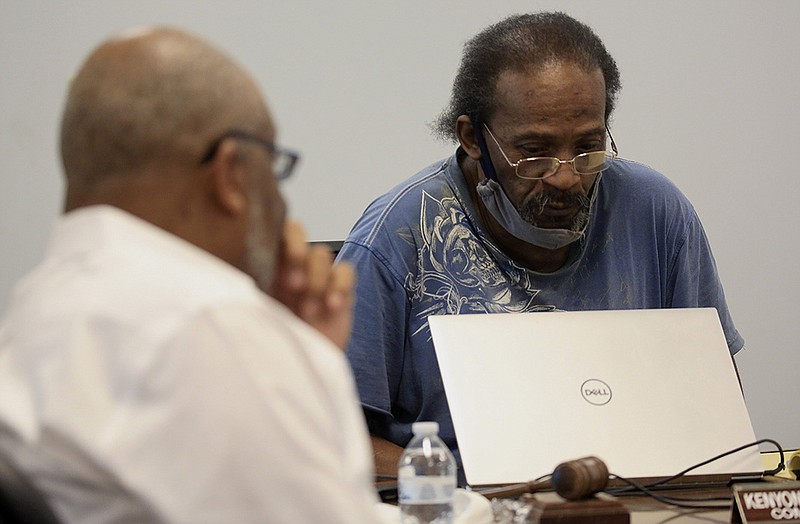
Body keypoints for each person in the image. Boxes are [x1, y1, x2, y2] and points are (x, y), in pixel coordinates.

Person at [337, 12, 744, 483]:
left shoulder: (655, 212)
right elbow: (331, 440)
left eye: (589, 146)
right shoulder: (396, 238)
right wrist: (463, 487)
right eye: (535, 153)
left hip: (642, 501)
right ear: (472, 138)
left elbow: (721, 415)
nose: (567, 176)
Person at [0, 27, 383, 523]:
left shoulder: (36, 308)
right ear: (231, 175)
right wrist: (301, 363)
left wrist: (293, 349)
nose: (282, 204)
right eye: (275, 169)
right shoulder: (206, 324)